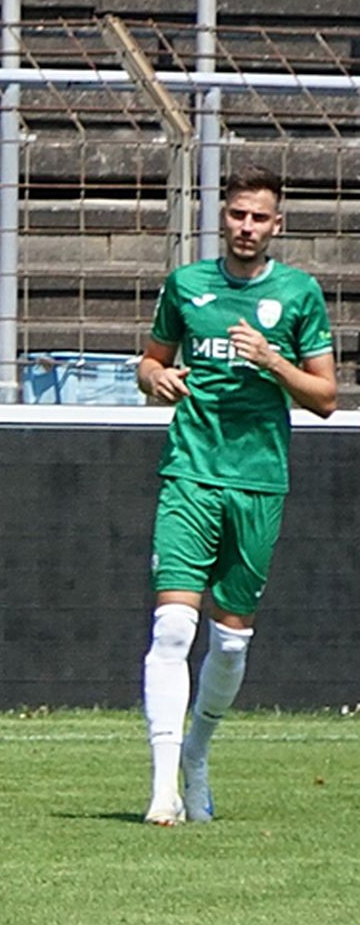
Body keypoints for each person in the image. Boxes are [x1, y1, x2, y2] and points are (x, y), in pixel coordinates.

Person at [135, 165, 337, 826]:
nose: (246, 227)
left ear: (277, 224)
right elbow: (150, 360)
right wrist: (156, 379)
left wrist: (273, 362)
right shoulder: (187, 285)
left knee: (229, 642)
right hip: (190, 471)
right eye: (237, 214)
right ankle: (162, 788)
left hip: (258, 479)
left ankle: (197, 753)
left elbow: (327, 398)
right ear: (222, 217)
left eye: (259, 217)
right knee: (173, 627)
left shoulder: (298, 294)